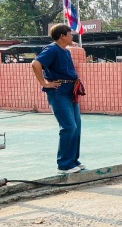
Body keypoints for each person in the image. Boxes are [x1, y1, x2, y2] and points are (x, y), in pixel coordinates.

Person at [31, 24, 85, 174]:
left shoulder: (65, 51)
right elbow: (35, 64)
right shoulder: (52, 49)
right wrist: (44, 83)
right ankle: (64, 164)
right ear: (62, 36)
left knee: (76, 126)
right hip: (58, 92)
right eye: (70, 33)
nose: (72, 36)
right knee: (68, 126)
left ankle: (73, 160)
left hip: (70, 91)